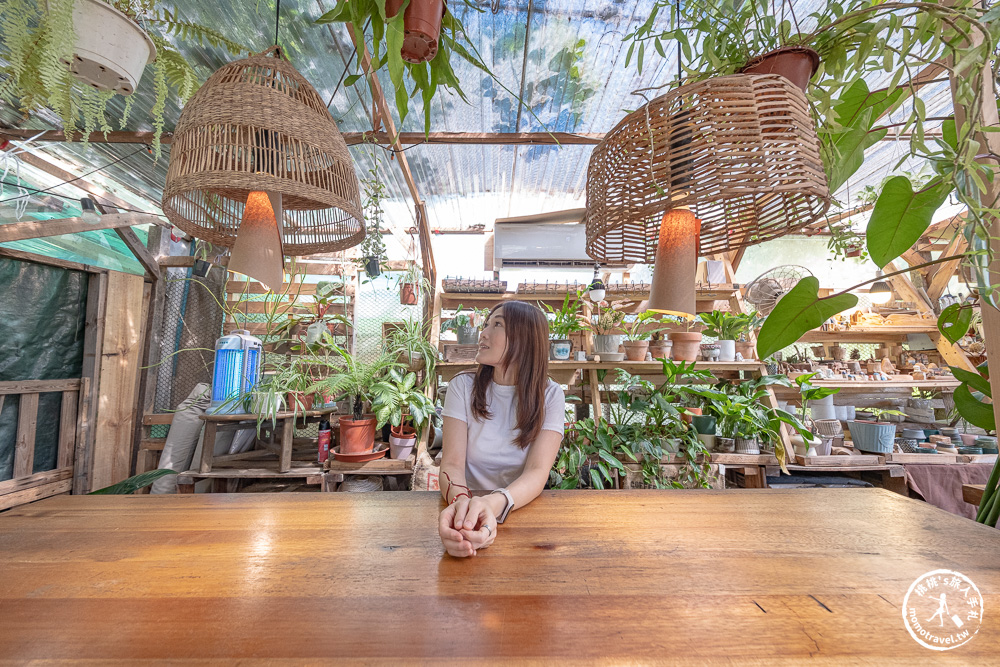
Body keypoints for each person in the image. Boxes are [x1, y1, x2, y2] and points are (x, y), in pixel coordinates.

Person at [438, 301, 565, 557]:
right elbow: (451, 464)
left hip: (522, 510)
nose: (482, 333)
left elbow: (537, 473)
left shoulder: (550, 395)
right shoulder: (462, 387)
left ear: (525, 339)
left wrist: (491, 505)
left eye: (497, 325)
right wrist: (465, 509)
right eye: (486, 324)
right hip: (464, 506)